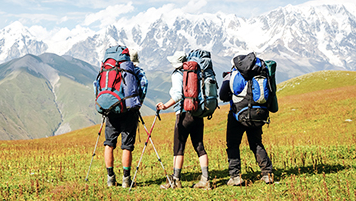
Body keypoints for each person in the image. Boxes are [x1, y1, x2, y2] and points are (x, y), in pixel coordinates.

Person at [156, 51, 211, 190]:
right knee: (199, 146)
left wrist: (165, 105)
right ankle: (206, 179)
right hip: (197, 112)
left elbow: (178, 95)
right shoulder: (197, 71)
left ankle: (176, 181)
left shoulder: (177, 74)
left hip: (184, 114)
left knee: (178, 148)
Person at [219, 67, 274, 186]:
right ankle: (267, 174)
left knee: (233, 145)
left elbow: (223, 96)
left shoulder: (233, 74)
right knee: (256, 144)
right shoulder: (260, 72)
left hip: (237, 115)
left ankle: (235, 177)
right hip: (257, 114)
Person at [103, 49, 146, 188]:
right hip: (129, 111)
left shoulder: (110, 69)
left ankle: (110, 178)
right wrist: (138, 103)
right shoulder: (136, 71)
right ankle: (126, 180)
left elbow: (97, 85)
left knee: (109, 144)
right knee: (127, 146)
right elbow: (144, 86)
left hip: (112, 109)